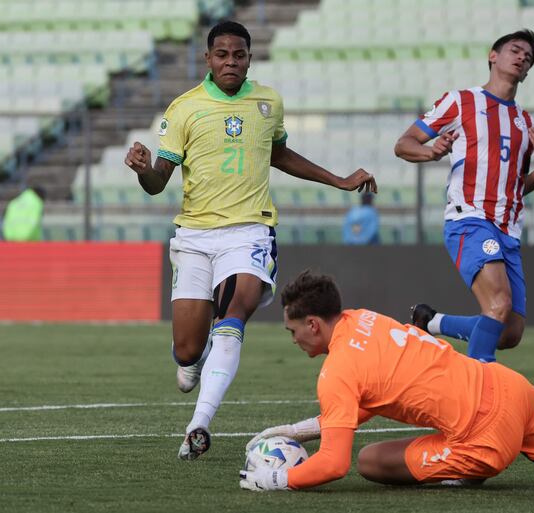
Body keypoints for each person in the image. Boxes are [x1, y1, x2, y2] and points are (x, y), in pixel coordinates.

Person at [124, 21, 377, 461]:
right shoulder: (185, 108)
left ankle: (198, 425)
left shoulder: (268, 102)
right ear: (207, 59)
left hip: (250, 230)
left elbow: (278, 154)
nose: (230, 62)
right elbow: (157, 183)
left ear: (248, 58)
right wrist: (144, 168)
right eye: (221, 55)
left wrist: (337, 180)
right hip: (195, 235)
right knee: (187, 351)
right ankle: (190, 360)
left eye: (238, 55)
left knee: (235, 309)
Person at [238, 271, 534, 492]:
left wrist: (278, 478)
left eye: (293, 330)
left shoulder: (336, 370)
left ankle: (456, 470)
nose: (293, 339)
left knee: (369, 461)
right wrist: (298, 430)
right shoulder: (363, 319)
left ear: (315, 325)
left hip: (483, 436)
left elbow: (334, 465)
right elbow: (364, 400)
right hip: (508, 387)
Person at [393, 30, 534, 363]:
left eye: (528, 57)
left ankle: (431, 322)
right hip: (470, 219)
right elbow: (404, 143)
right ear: (492, 56)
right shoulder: (462, 101)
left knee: (509, 331)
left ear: (527, 73)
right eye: (515, 50)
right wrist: (430, 152)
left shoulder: (525, 123)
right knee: (498, 303)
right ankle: (479, 394)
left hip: (508, 231)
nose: (522, 57)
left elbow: (514, 186)